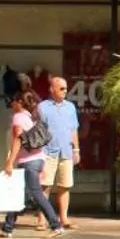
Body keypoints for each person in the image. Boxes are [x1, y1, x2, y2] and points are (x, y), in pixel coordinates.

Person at [0, 89, 63, 239]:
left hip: (28, 161)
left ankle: (56, 225)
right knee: (18, 195)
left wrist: (9, 162)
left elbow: (17, 140)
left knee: (37, 194)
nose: (12, 103)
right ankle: (7, 227)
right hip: (38, 159)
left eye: (14, 100)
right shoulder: (32, 117)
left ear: (20, 103)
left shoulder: (19, 117)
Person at [34, 75, 83, 229]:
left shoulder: (70, 107)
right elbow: (37, 130)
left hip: (66, 152)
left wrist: (76, 149)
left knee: (65, 185)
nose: (65, 91)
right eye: (61, 88)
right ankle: (41, 219)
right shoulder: (42, 107)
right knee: (45, 186)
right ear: (52, 89)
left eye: (66, 88)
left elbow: (73, 129)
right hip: (48, 151)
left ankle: (64, 218)